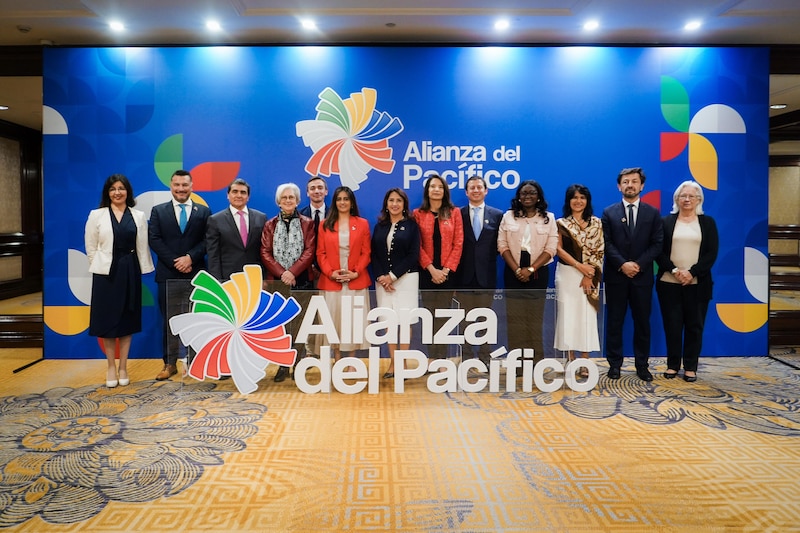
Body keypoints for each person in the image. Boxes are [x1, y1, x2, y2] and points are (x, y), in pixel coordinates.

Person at [85, 174, 155, 388]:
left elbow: (142, 245)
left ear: (128, 192)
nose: (117, 192)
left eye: (121, 188)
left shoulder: (138, 215)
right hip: (106, 273)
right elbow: (91, 247)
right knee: (107, 320)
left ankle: (123, 367)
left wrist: (141, 267)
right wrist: (100, 265)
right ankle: (110, 367)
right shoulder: (96, 215)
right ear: (108, 192)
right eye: (113, 189)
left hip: (130, 270)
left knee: (127, 319)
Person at [601, 167, 664, 381]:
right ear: (619, 186)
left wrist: (637, 264)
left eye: (634, 181)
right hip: (616, 277)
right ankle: (615, 364)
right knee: (615, 322)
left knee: (642, 323)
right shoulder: (609, 213)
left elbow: (657, 244)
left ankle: (642, 365)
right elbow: (606, 244)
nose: (630, 185)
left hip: (642, 277)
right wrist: (623, 264)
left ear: (642, 185)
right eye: (626, 182)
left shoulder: (652, 213)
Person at [149, 169, 210, 381]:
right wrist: (177, 261)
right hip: (168, 274)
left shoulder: (203, 212)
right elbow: (154, 239)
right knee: (169, 320)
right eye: (177, 185)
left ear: (191, 187)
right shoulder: (158, 211)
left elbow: (207, 241)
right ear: (171, 186)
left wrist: (190, 258)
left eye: (185, 185)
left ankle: (195, 361)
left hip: (196, 275)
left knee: (197, 319)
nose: (181, 189)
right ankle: (169, 364)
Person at [656, 181, 719, 382]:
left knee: (694, 326)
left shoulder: (707, 223)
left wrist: (691, 272)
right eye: (683, 196)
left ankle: (690, 366)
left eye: (692, 196)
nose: (687, 199)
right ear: (676, 199)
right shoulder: (665, 222)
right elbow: (659, 252)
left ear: (699, 199)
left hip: (697, 284)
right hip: (669, 283)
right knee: (672, 326)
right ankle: (673, 365)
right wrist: (675, 271)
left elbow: (711, 253)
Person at [260, 182, 316, 382]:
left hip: (302, 280)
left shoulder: (308, 223)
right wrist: (283, 273)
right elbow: (265, 253)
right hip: (278, 281)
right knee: (283, 325)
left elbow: (310, 251)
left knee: (300, 324)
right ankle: (283, 364)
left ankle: (299, 363)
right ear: (278, 201)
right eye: (284, 198)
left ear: (298, 201)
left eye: (291, 197)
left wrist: (292, 271)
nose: (288, 201)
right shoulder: (270, 225)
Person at [498, 180, 558, 363]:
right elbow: (502, 245)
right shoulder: (508, 217)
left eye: (531, 193)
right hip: (513, 272)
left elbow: (551, 248)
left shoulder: (549, 218)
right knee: (515, 321)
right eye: (523, 193)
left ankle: (536, 363)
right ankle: (517, 363)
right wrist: (517, 269)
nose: (527, 196)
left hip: (538, 273)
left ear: (538, 196)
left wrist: (531, 269)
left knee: (534, 320)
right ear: (518, 196)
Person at [316, 186, 372, 360]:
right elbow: (320, 253)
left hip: (355, 281)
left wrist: (355, 272)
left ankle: (351, 360)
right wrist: (330, 273)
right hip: (332, 281)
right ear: (335, 202)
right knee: (334, 322)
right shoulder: (324, 224)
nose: (342, 202)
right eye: (339, 199)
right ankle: (337, 358)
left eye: (346, 199)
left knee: (353, 322)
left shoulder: (362, 223)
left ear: (351, 202)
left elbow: (366, 252)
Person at [554, 184, 604, 377]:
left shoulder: (597, 223)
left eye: (582, 197)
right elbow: (558, 249)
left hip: (590, 275)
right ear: (568, 201)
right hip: (567, 273)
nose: (578, 201)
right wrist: (579, 266)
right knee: (568, 315)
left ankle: (585, 360)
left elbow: (599, 251)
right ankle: (570, 358)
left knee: (586, 316)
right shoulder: (561, 223)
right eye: (574, 197)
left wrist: (587, 274)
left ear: (587, 200)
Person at [413, 174, 463, 359]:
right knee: (428, 317)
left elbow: (458, 243)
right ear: (427, 191)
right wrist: (431, 269)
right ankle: (431, 358)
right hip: (427, 273)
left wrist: (446, 270)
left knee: (443, 317)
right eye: (432, 186)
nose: (436, 189)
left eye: (440, 187)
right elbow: (416, 245)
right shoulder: (418, 214)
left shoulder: (454, 212)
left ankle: (442, 359)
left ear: (444, 191)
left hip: (447, 274)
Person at [371, 188, 420, 378]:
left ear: (404, 204)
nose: (394, 204)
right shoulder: (379, 226)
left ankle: (404, 364)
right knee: (388, 322)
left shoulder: (412, 226)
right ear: (386, 204)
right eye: (391, 200)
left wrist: (392, 276)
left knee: (405, 321)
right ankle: (392, 364)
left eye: (398, 200)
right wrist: (382, 278)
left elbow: (413, 255)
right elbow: (374, 254)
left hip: (406, 279)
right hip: (383, 282)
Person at [456, 175, 503, 364]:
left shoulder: (497, 215)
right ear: (467, 192)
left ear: (486, 191)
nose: (476, 190)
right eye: (472, 188)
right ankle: (466, 357)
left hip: (487, 275)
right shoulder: (457, 214)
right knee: (464, 319)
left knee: (485, 318)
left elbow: (501, 245)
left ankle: (485, 357)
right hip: (463, 276)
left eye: (479, 187)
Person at [206, 178, 267, 281]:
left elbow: (265, 251)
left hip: (254, 277)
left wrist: (265, 278)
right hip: (228, 278)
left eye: (243, 192)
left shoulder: (261, 218)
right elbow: (213, 255)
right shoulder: (215, 220)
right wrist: (217, 281)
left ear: (248, 197)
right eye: (235, 192)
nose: (239, 195)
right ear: (228, 195)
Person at [298, 176, 329, 359]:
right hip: (306, 273)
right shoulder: (299, 215)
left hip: (329, 273)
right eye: (312, 188)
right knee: (308, 313)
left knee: (327, 314)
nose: (316, 191)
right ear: (307, 192)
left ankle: (328, 353)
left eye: (320, 187)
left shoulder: (336, 214)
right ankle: (310, 354)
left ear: (326, 191)